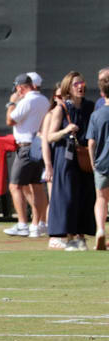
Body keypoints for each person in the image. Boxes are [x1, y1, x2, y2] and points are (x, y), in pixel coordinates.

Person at [45, 71, 96, 251]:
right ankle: (64, 235)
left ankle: (80, 236)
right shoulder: (61, 109)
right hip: (65, 158)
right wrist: (66, 131)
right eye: (76, 84)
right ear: (68, 87)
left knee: (84, 194)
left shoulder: (90, 107)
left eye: (82, 82)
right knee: (67, 196)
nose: (80, 86)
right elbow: (50, 136)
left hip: (84, 156)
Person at [2, 73, 50, 238]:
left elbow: (10, 120)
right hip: (38, 145)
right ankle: (38, 224)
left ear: (20, 88)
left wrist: (11, 102)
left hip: (26, 146)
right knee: (36, 186)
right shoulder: (43, 100)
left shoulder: (26, 101)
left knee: (15, 186)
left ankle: (23, 224)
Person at [86, 68, 109, 250]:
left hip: (102, 162)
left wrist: (92, 161)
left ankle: (100, 230)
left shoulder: (96, 114)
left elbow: (91, 142)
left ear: (102, 93)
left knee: (100, 198)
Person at [40, 84, 65, 248]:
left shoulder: (67, 114)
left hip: (65, 162)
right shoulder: (51, 115)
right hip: (54, 161)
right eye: (58, 96)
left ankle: (64, 232)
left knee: (63, 198)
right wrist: (48, 165)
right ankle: (53, 235)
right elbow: (45, 143)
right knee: (54, 198)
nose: (61, 100)